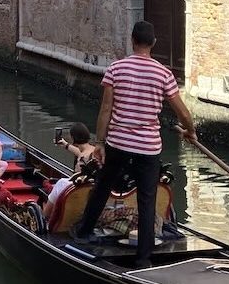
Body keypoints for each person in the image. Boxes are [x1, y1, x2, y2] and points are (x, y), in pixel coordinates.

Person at [70, 21, 197, 269]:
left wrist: (100, 142)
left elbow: (106, 109)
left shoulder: (116, 69)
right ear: (153, 43)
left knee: (102, 187)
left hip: (118, 143)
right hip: (148, 148)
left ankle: (84, 232)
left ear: (132, 40)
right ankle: (143, 259)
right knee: (147, 200)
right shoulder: (164, 74)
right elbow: (182, 112)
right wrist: (190, 131)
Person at [44, 122, 97, 218]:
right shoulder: (93, 151)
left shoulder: (81, 160)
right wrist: (66, 145)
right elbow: (80, 153)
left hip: (77, 190)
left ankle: (45, 214)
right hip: (92, 188)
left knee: (59, 184)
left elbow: (81, 156)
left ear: (73, 138)